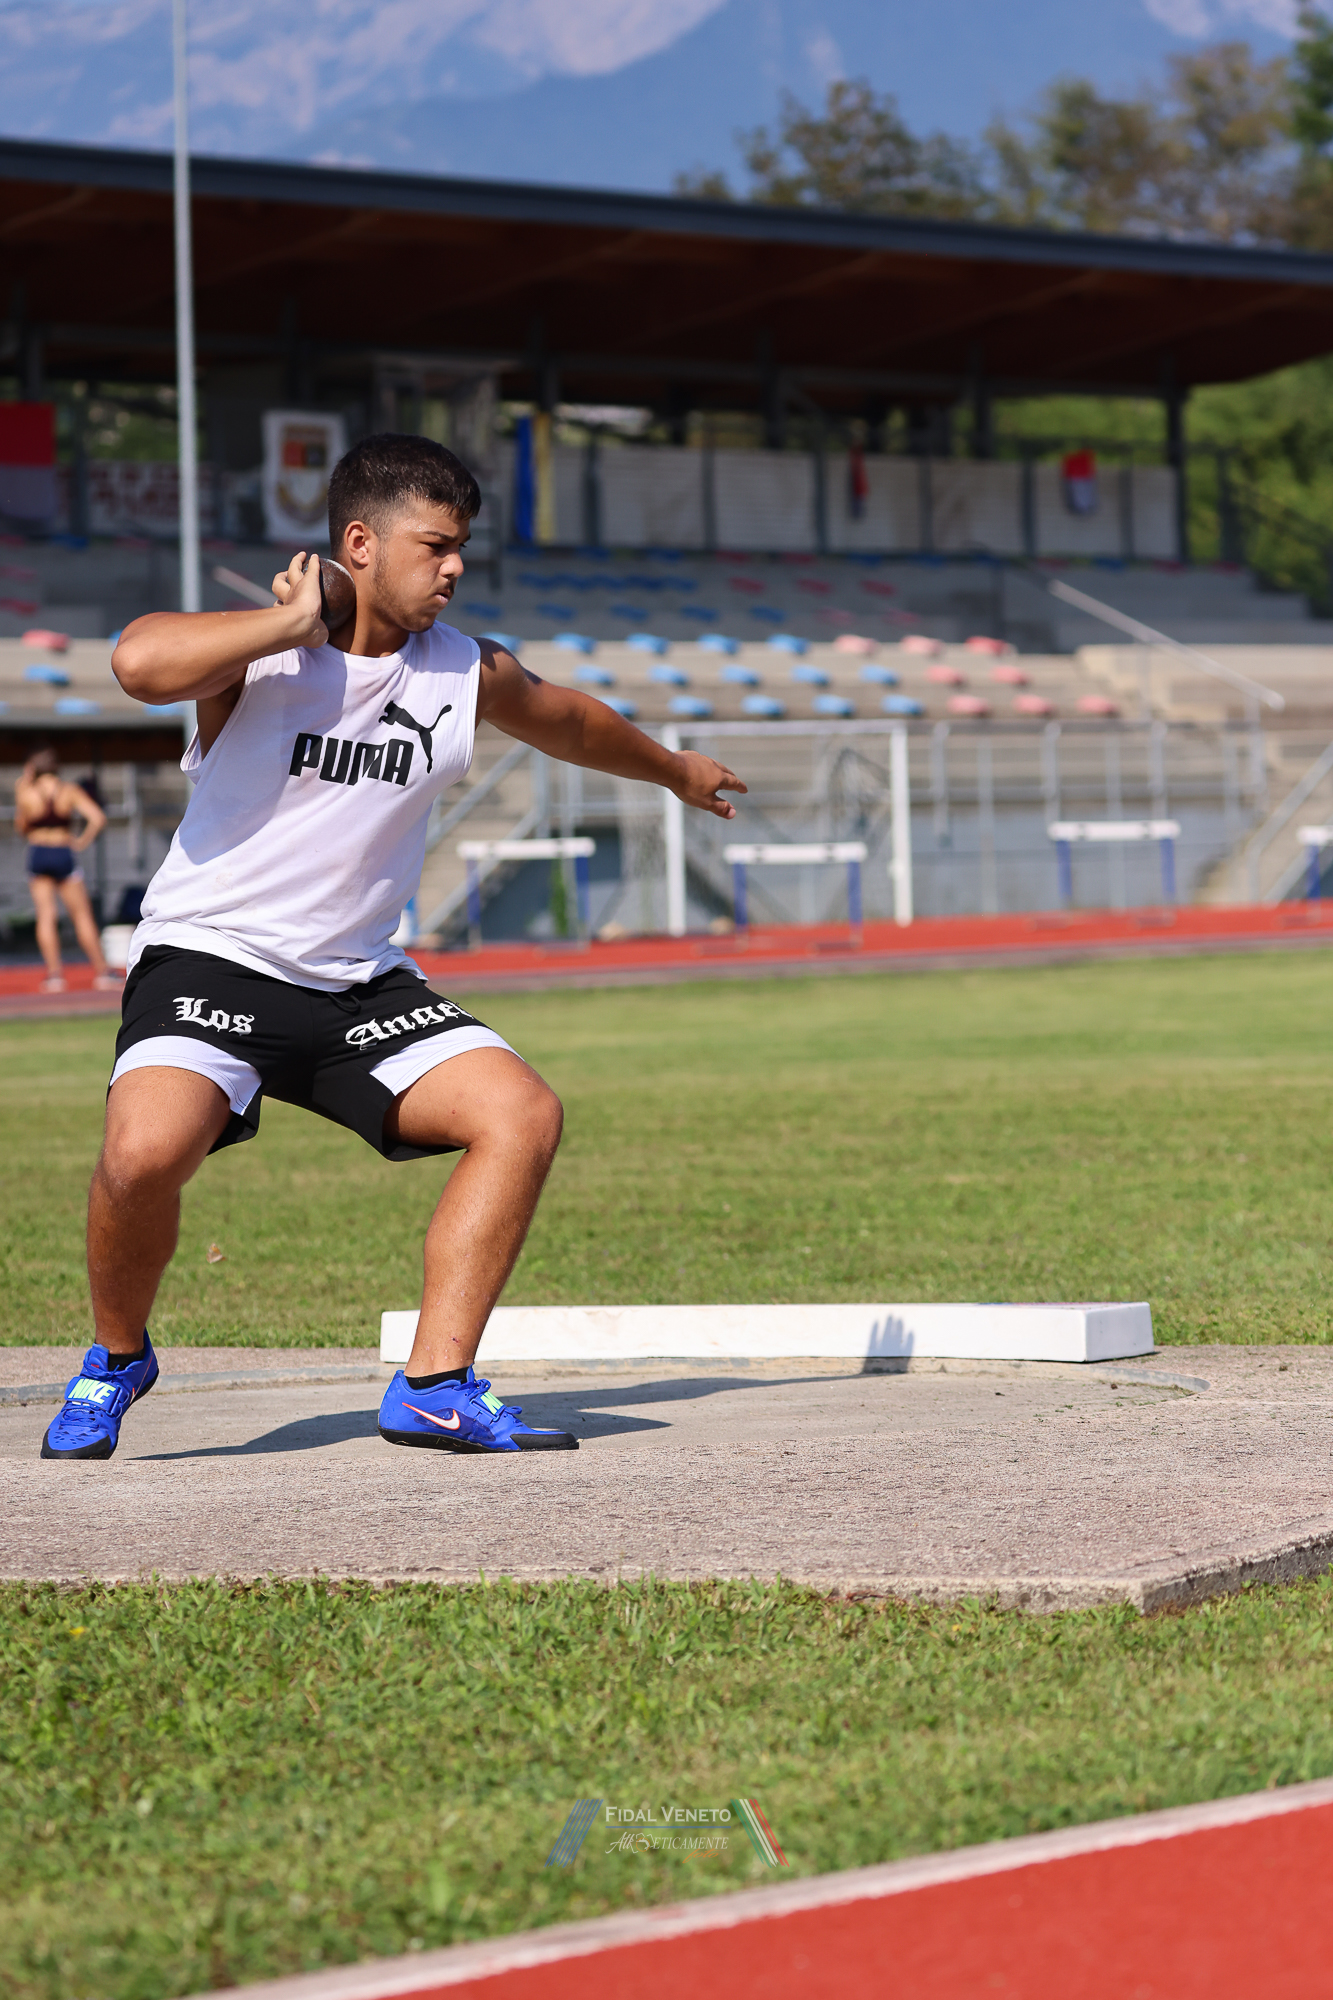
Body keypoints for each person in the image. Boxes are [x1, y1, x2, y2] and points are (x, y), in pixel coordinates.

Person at [39, 433, 745, 1462]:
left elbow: (569, 721)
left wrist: (674, 769)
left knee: (521, 1114)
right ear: (360, 543)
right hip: (213, 958)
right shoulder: (264, 651)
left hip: (359, 984)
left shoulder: (462, 669)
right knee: (143, 1154)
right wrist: (289, 619)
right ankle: (115, 1358)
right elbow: (137, 662)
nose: (453, 568)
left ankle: (435, 1386)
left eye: (462, 548)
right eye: (435, 546)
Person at [14, 748, 119, 994]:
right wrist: (81, 841)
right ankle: (102, 973)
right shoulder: (68, 790)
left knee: (46, 915)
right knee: (81, 915)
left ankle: (54, 976)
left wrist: (24, 785)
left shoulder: (27, 791)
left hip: (39, 852)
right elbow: (98, 817)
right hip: (63, 851)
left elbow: (22, 826)